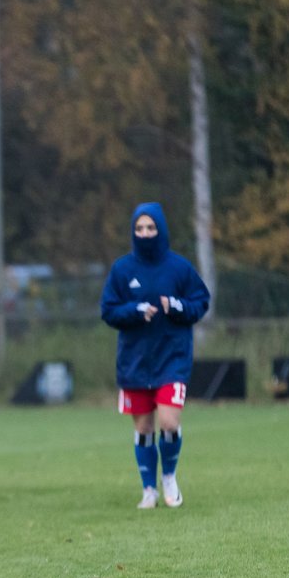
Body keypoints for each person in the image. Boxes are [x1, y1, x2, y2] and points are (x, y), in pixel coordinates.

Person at [100, 202, 210, 509]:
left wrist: (176, 307)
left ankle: (170, 477)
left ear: (160, 229)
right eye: (140, 228)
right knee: (144, 428)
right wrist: (134, 311)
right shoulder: (122, 269)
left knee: (169, 423)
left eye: (151, 228)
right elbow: (108, 310)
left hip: (172, 358)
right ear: (133, 231)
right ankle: (148, 489)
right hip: (134, 361)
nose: (145, 233)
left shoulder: (179, 268)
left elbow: (201, 303)